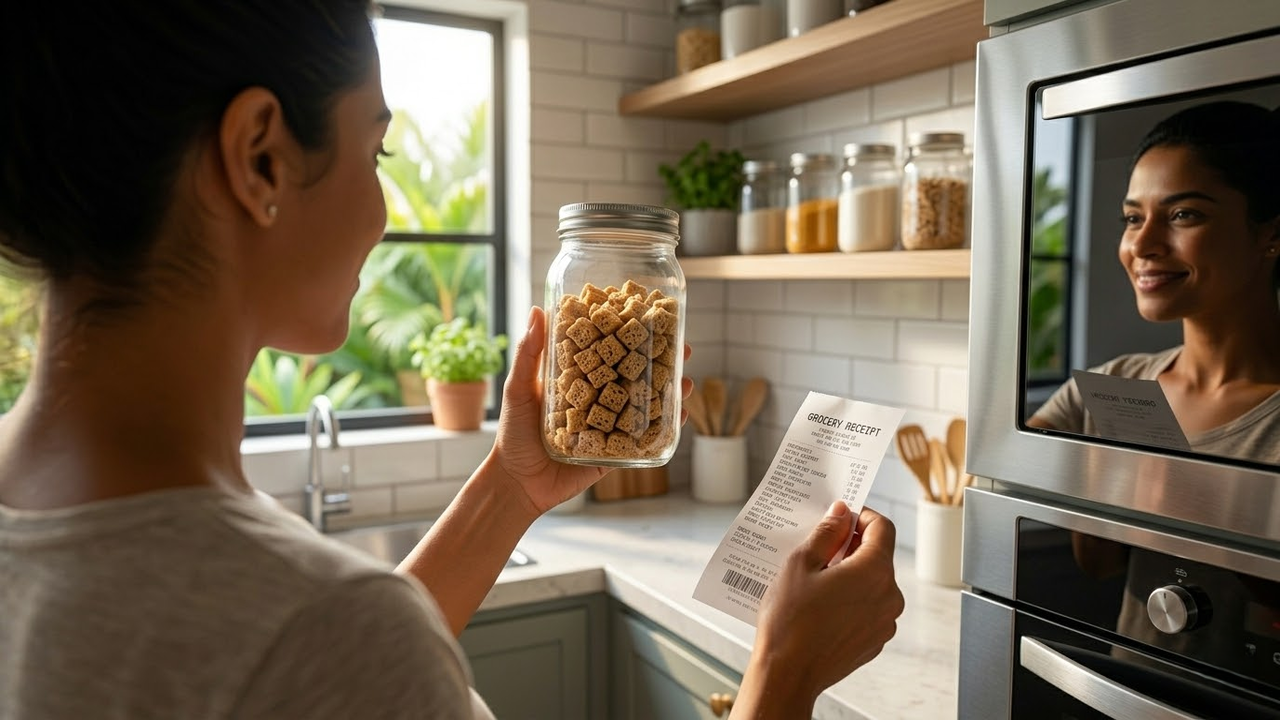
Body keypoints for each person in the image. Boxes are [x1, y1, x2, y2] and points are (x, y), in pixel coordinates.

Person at [0, 3, 904, 719]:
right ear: (261, 157)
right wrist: (785, 675)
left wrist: (511, 491)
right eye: (375, 148)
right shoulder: (319, 630)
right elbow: (326, 657)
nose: (384, 205)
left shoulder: (301, 629)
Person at [1029, 100, 1280, 464]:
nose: (1141, 245)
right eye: (1133, 218)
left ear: (1270, 234)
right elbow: (988, 499)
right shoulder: (1111, 388)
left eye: (1183, 214)